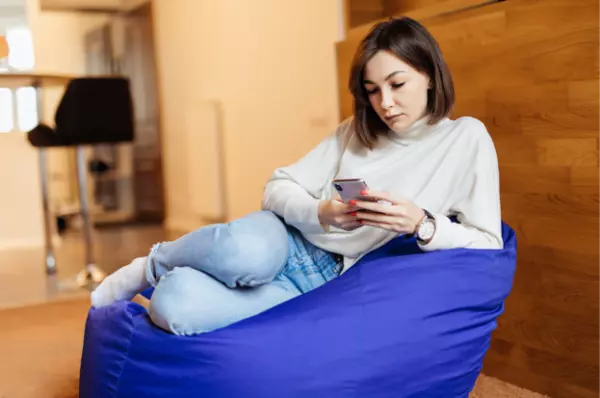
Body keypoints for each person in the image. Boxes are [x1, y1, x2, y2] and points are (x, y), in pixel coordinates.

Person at [91, 17, 503, 336]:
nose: (386, 103)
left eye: (397, 84)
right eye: (373, 90)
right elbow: (276, 187)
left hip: (321, 286)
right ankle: (150, 265)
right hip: (286, 241)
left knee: (174, 308)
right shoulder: (353, 131)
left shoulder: (466, 139)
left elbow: (488, 243)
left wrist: (423, 225)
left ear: (430, 74)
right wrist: (321, 211)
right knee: (244, 255)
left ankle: (184, 275)